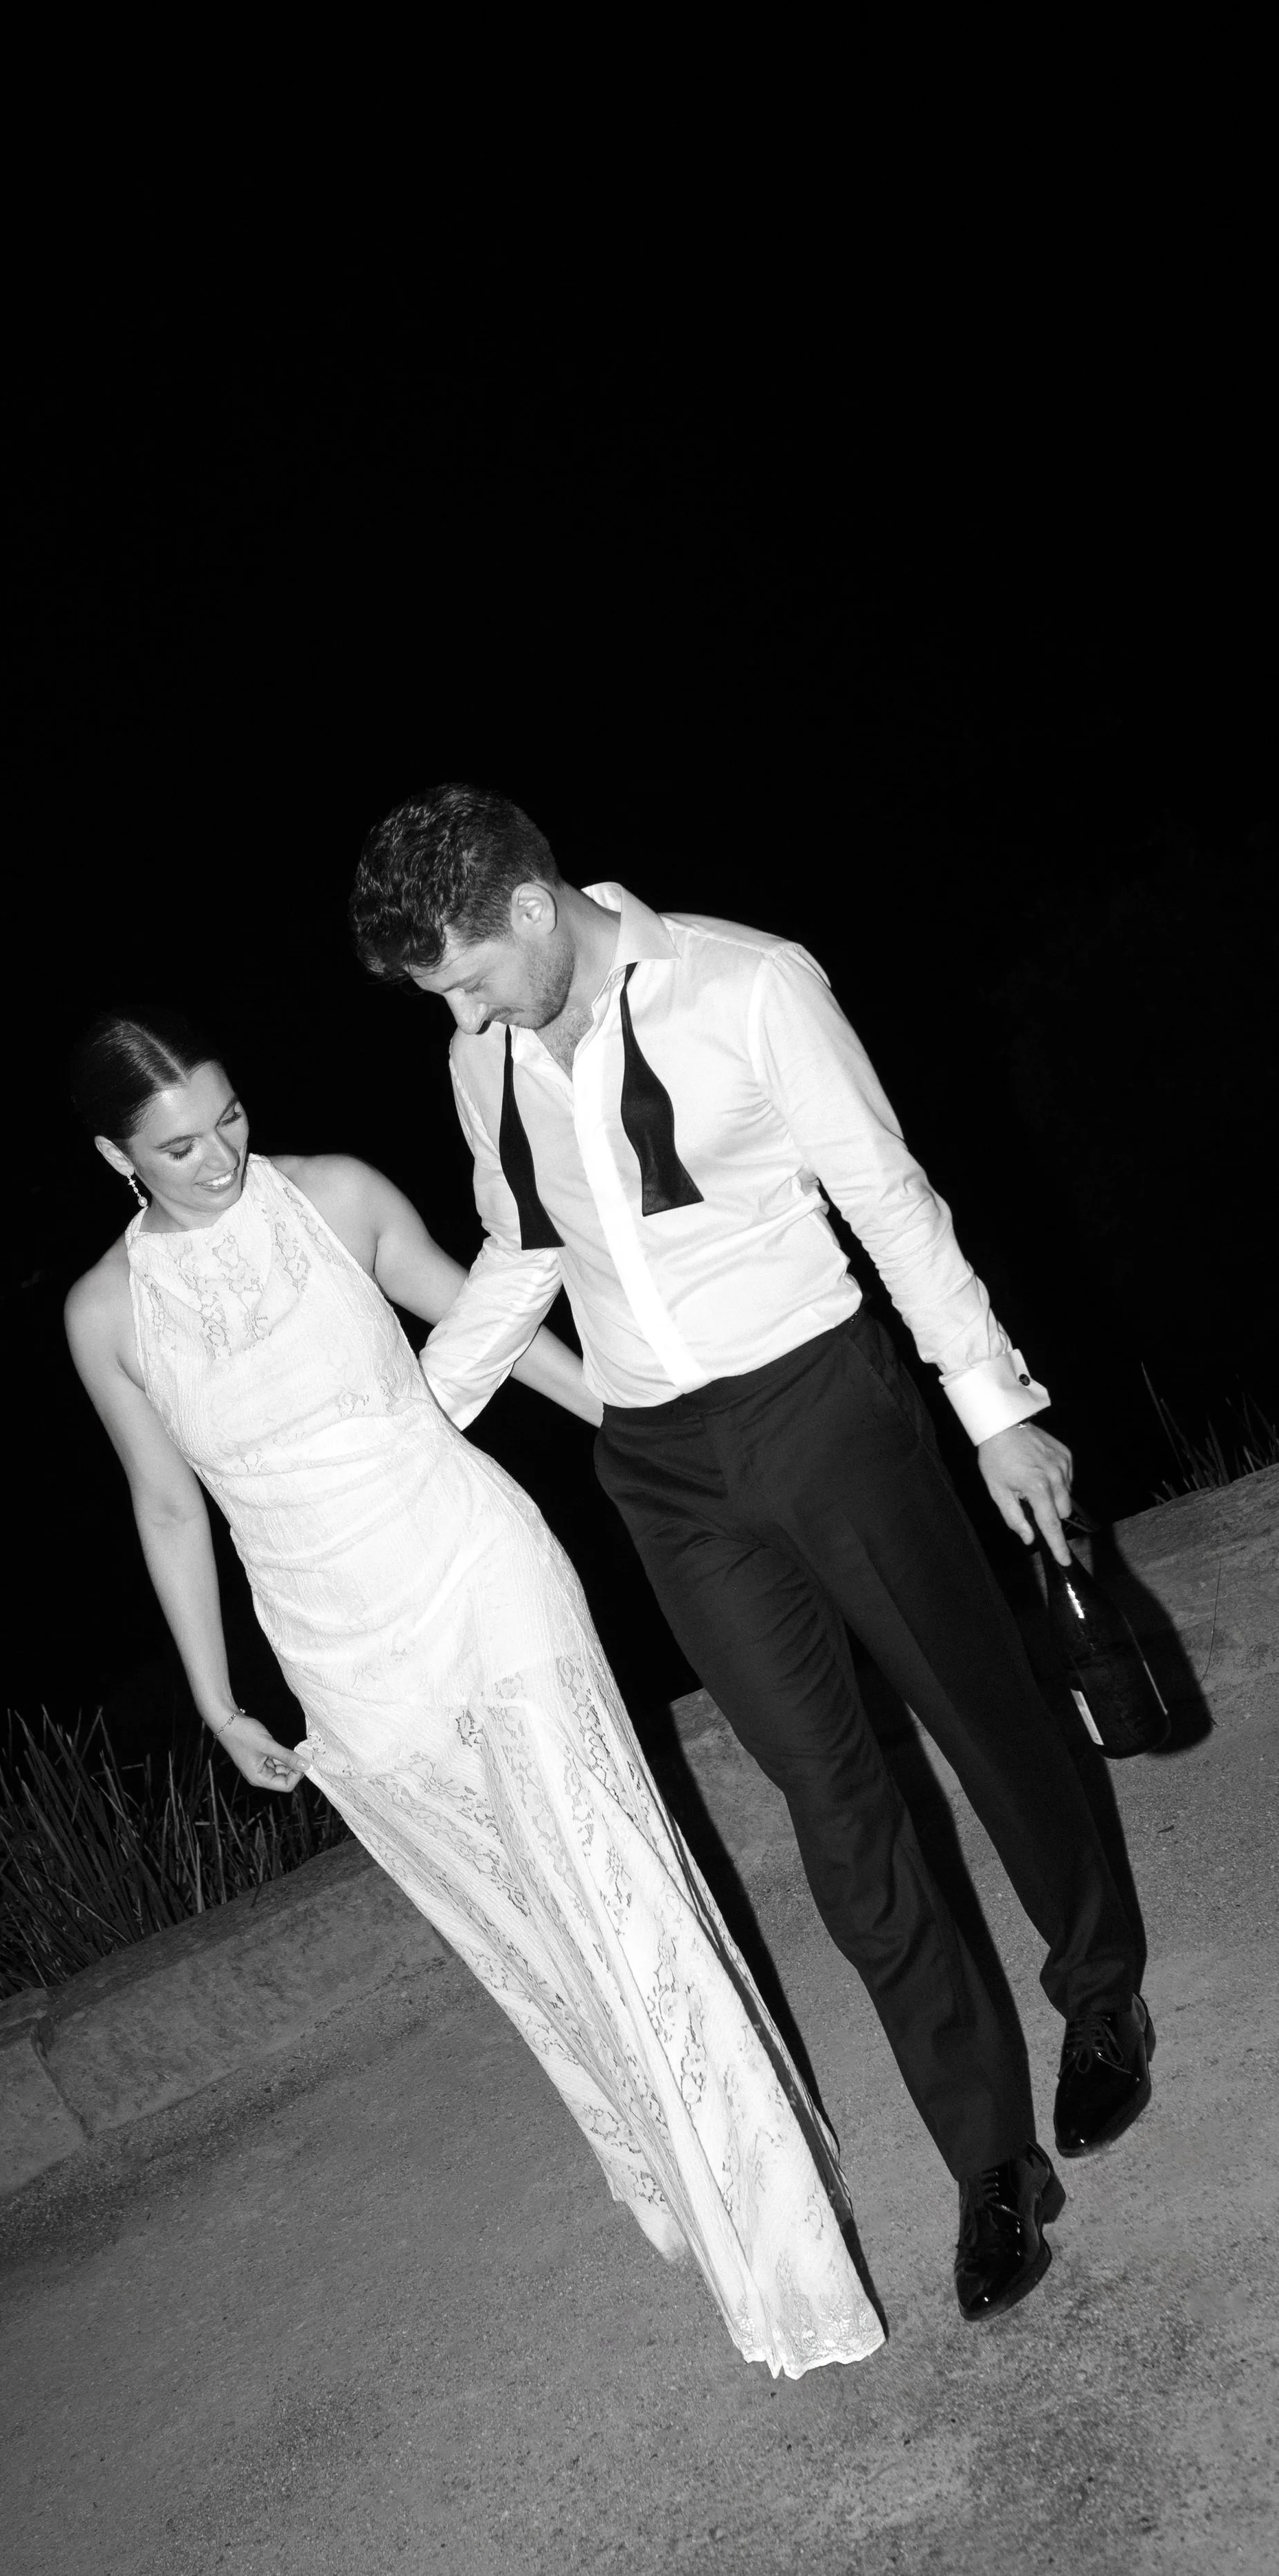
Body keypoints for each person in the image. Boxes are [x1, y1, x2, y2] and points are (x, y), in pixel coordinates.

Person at [350, 783, 1153, 2326]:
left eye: (457, 974)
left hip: (822, 1399)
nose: (449, 1011)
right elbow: (524, 1246)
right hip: (664, 1466)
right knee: (834, 1813)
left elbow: (884, 1196)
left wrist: (993, 1408)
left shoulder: (749, 984)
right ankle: (987, 2160)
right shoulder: (482, 1063)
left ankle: (1097, 1985)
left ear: (529, 909)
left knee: (978, 1718)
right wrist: (415, 1418)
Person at [62, 1006, 883, 2379]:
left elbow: (486, 1321)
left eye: (230, 1121)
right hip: (336, 1649)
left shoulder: (333, 1196)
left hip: (473, 1567)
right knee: (526, 1929)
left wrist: (651, 1434)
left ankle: (782, 2250)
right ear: (114, 1156)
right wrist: (217, 1702)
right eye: (178, 1147)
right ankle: (689, 2176)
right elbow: (164, 1507)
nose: (218, 1160)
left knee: (611, 1879)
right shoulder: (104, 1313)